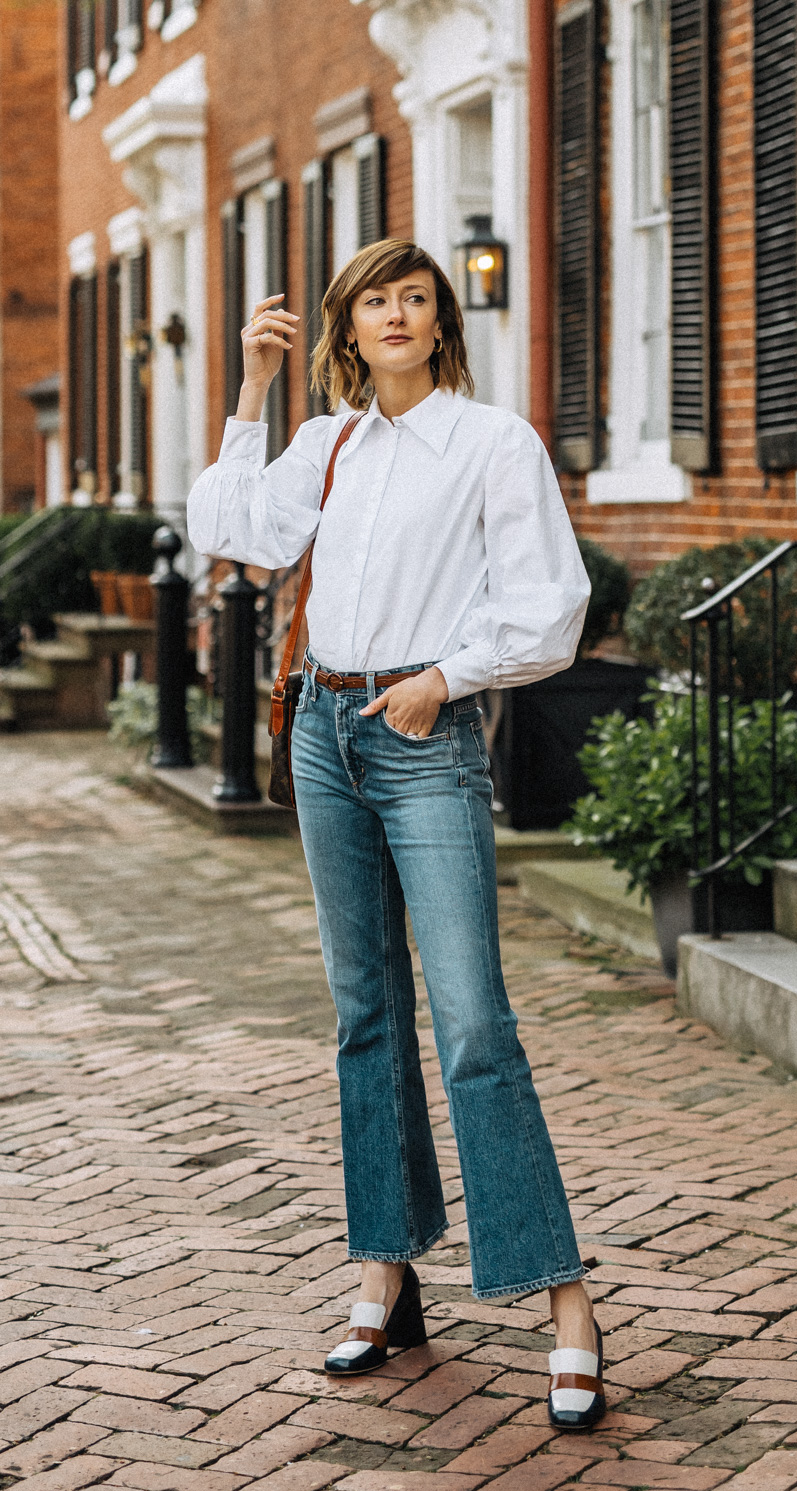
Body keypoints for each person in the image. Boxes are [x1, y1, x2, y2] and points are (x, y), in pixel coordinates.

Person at [186, 238, 605, 1430]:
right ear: (348, 326)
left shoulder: (491, 443)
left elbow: (551, 607)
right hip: (325, 729)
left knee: (474, 1020)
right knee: (366, 1013)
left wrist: (444, 678)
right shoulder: (327, 443)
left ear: (440, 323)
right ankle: (386, 1269)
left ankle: (565, 1304)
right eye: (378, 301)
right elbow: (240, 530)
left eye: (417, 299)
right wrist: (252, 397)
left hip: (422, 739)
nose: (400, 316)